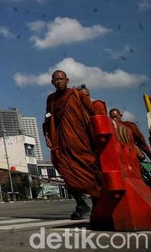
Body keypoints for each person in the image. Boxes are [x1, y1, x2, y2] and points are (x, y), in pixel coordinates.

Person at [44, 70, 102, 220]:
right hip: (62, 142)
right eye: (56, 80)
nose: (59, 81)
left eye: (61, 79)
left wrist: (100, 133)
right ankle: (81, 203)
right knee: (67, 173)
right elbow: (48, 118)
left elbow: (93, 112)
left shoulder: (76, 94)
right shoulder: (51, 99)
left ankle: (97, 204)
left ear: (67, 80)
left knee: (90, 172)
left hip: (81, 141)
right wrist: (47, 135)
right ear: (52, 82)